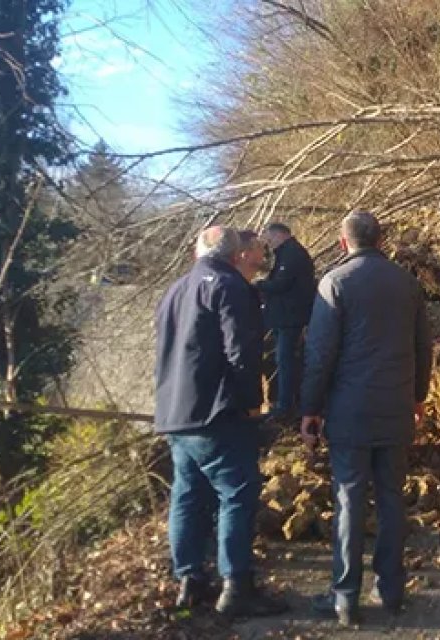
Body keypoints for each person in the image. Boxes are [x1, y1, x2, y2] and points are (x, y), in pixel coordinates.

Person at [300, 211, 432, 626]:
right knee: (392, 496)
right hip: (395, 407)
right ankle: (391, 590)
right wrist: (418, 396)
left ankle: (344, 597)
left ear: (343, 242)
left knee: (349, 498)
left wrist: (310, 409)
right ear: (383, 238)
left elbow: (320, 355)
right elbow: (423, 346)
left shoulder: (335, 283)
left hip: (349, 410)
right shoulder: (407, 284)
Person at [153, 226, 286, 618]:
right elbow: (241, 351)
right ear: (235, 255)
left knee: (187, 497)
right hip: (217, 412)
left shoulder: (174, 290)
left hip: (177, 413)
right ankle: (236, 586)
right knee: (237, 494)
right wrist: (250, 402)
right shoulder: (230, 286)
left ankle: (190, 580)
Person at [256, 222, 316, 418]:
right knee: (282, 359)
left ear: (279, 235)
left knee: (285, 360)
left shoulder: (292, 254)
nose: (269, 242)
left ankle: (286, 404)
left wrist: (260, 285)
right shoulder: (287, 253)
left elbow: (282, 283)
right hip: (284, 316)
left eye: (270, 237)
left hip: (290, 317)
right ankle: (284, 401)